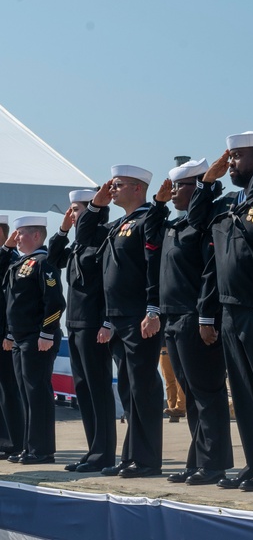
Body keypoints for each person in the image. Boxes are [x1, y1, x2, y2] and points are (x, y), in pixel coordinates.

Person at [187, 132, 253, 492]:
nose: (231, 163)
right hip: (231, 310)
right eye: (229, 157)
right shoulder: (227, 203)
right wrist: (207, 180)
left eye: (238, 157)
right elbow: (196, 218)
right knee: (246, 393)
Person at [76, 166, 169, 478]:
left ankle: (147, 459)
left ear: (137, 189)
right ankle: (132, 456)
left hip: (139, 315)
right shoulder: (118, 224)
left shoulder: (147, 220)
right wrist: (95, 206)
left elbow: (153, 266)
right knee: (129, 389)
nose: (112, 189)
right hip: (118, 318)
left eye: (118, 185)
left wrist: (153, 309)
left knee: (143, 387)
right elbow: (86, 239)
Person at [160, 158, 233, 486]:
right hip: (174, 318)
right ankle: (197, 460)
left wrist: (206, 317)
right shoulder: (179, 225)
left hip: (195, 317)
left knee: (207, 393)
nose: (174, 192)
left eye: (181, 186)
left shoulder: (206, 221)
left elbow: (209, 273)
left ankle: (214, 463)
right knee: (191, 394)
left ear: (199, 187)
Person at [48, 190, 118, 473]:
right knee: (83, 390)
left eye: (76, 210)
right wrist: (63, 230)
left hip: (94, 325)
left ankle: (104, 453)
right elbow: (53, 258)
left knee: (98, 389)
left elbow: (109, 286)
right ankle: (93, 450)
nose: (72, 214)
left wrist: (106, 322)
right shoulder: (78, 244)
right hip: (75, 325)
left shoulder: (103, 239)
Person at [1, 216, 65, 465]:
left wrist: (47, 333)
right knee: (26, 394)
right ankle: (30, 447)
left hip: (36, 338)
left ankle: (42, 450)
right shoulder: (20, 263)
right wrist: (6, 248)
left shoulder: (43, 262)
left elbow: (56, 302)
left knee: (37, 394)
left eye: (21, 234)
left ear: (36, 236)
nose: (16, 239)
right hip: (19, 338)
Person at [0, 216, 25, 462]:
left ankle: (15, 442)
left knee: (9, 390)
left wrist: (9, 333)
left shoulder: (15, 261)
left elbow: (13, 303)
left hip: (6, 336)